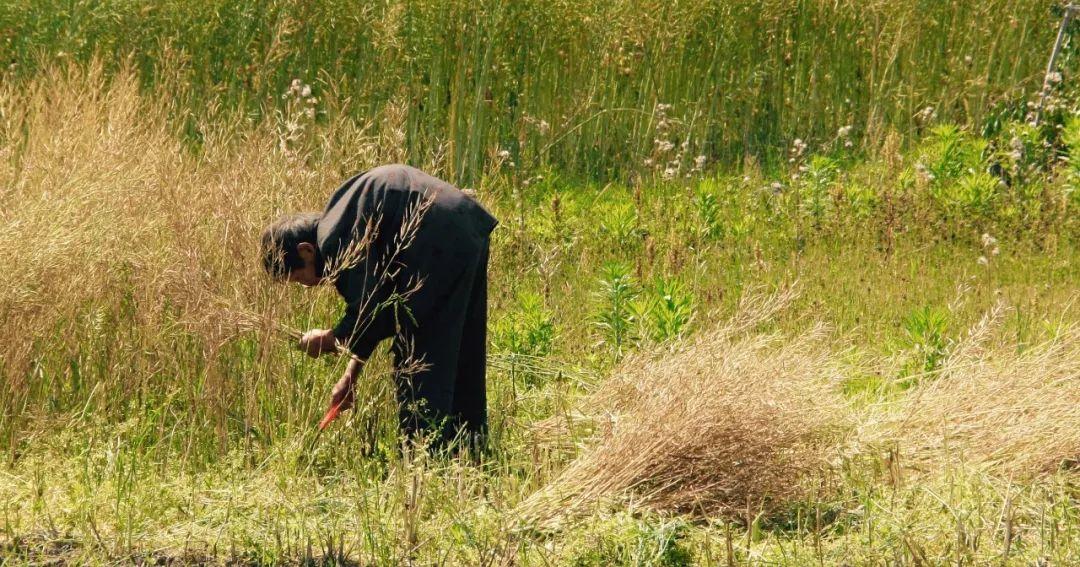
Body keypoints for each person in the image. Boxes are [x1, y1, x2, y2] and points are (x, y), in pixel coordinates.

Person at [260, 164, 497, 452]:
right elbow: (379, 307)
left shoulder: (335, 243)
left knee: (419, 356)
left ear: (306, 251)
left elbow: (371, 314)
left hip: (438, 236)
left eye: (298, 278)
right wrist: (350, 375)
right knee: (462, 346)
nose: (307, 286)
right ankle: (471, 447)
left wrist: (332, 339)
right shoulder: (339, 220)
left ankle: (423, 458)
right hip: (464, 224)